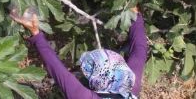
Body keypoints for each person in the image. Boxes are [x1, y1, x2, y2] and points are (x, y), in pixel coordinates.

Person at [11, 6, 148, 99]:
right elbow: (139, 49)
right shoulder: (132, 84)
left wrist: (35, 33)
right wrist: (135, 15)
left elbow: (58, 71)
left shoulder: (83, 96)